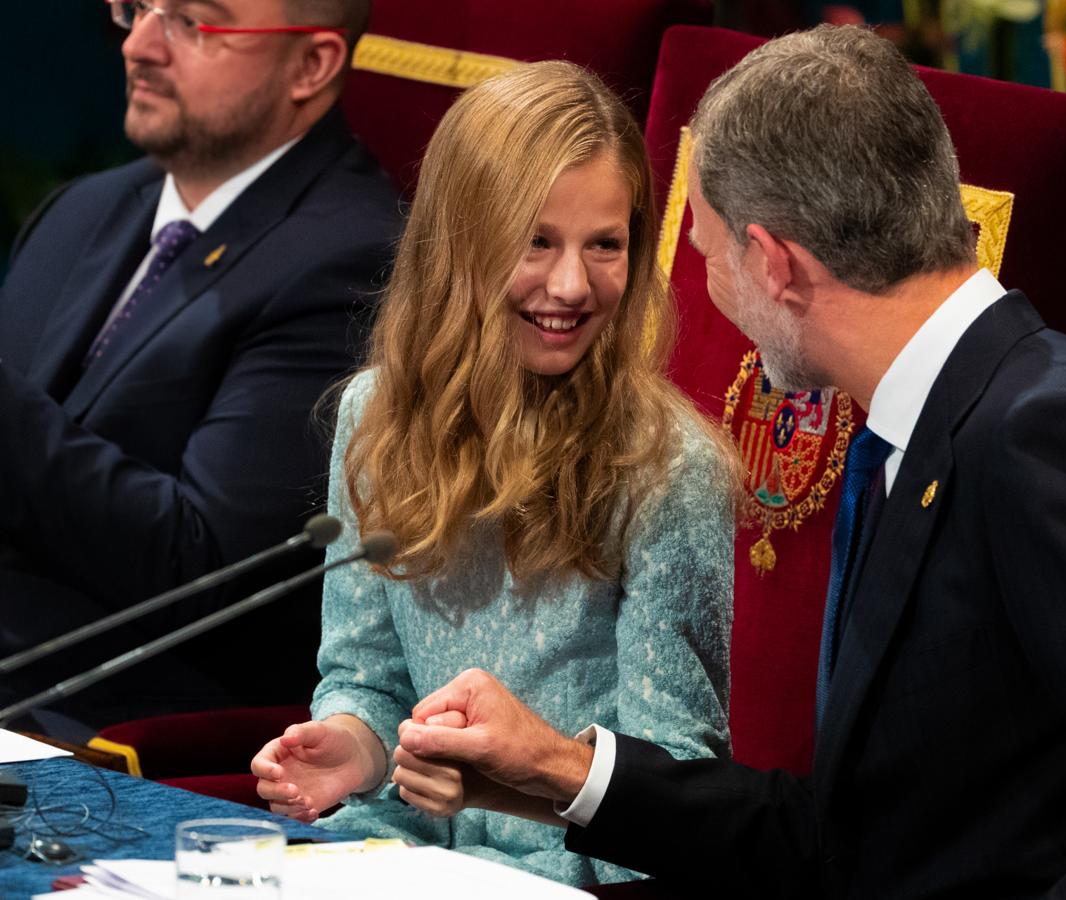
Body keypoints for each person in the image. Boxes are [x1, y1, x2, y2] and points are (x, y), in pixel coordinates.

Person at [390, 25, 1066, 899]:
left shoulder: (1057, 435)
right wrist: (558, 771)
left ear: (775, 263)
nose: (710, 296)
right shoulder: (920, 428)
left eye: (709, 256)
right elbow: (854, 840)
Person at [249, 61, 737, 887]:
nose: (572, 285)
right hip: (392, 857)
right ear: (459, 242)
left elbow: (671, 786)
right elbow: (367, 677)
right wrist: (352, 748)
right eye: (535, 241)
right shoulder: (374, 417)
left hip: (565, 878)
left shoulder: (667, 468)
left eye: (605, 245)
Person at [0, 0, 400, 723]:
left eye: (194, 21)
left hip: (113, 733)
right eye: (137, 7)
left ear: (311, 65)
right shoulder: (82, 209)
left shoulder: (354, 259)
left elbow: (208, 571)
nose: (140, 46)